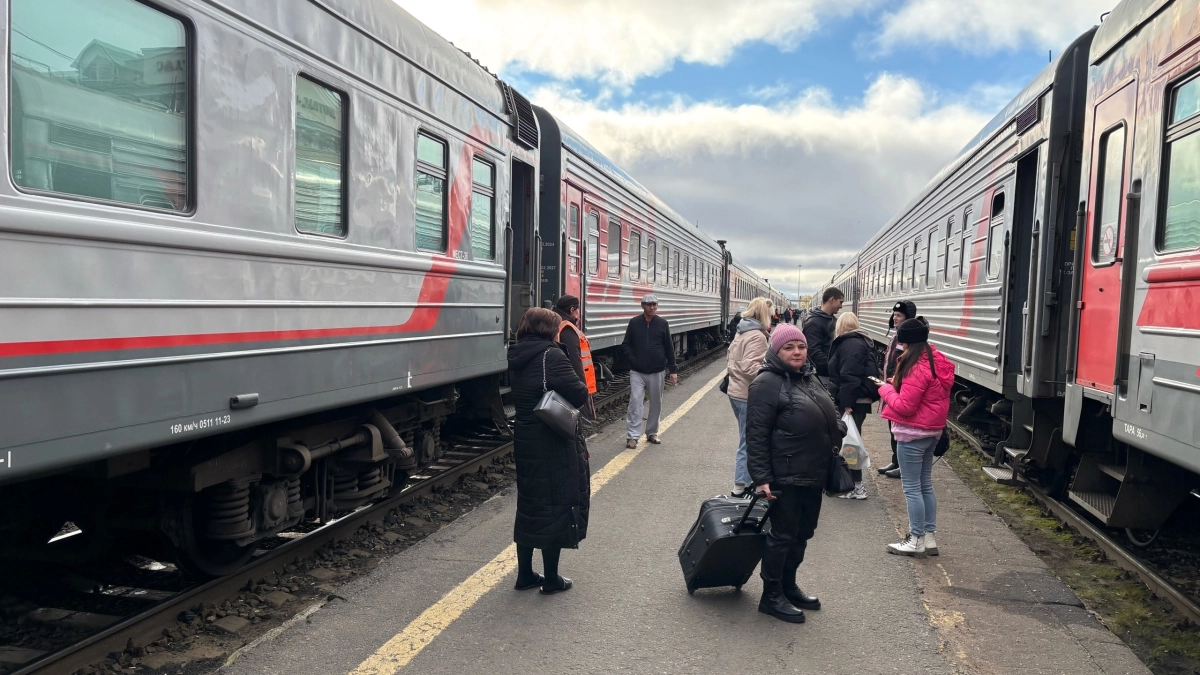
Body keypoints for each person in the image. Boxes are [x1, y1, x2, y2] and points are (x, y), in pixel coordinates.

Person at [746, 324, 846, 623]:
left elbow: (833, 408)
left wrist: (836, 426)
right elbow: (756, 435)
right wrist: (761, 478)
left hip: (813, 472)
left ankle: (788, 586)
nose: (797, 352)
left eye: (800, 347)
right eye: (789, 348)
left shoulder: (808, 375)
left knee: (803, 533)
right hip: (784, 476)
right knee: (783, 536)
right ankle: (771, 595)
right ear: (776, 351)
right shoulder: (766, 383)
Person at [507, 307, 591, 594]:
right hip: (551, 438)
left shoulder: (516, 354)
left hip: (526, 436)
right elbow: (579, 393)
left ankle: (525, 575)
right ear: (547, 330)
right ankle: (552, 579)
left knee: (529, 504)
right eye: (557, 328)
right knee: (554, 503)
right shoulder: (552, 355)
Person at [876, 317, 954, 557]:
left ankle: (915, 539)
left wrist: (886, 389)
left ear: (905, 342)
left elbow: (905, 406)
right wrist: (897, 383)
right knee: (924, 485)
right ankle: (929, 538)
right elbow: (923, 393)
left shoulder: (914, 366)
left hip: (912, 434)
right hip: (932, 432)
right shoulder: (935, 361)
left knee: (911, 488)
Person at [827, 312, 880, 500]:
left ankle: (855, 487)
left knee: (850, 444)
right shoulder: (857, 342)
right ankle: (853, 485)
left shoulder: (850, 343)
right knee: (850, 442)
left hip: (853, 402)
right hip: (855, 400)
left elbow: (850, 375)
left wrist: (847, 403)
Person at [725, 297, 772, 498]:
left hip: (736, 391)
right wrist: (770, 371)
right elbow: (749, 367)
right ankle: (740, 487)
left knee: (746, 439)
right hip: (745, 393)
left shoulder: (742, 330)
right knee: (749, 442)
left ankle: (746, 482)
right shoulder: (757, 336)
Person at [621, 294, 678, 449]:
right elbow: (626, 344)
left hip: (657, 371)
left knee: (656, 403)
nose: (652, 307)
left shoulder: (662, 324)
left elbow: (669, 348)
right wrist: (633, 359)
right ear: (642, 306)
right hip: (637, 371)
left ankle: (652, 432)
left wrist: (672, 370)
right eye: (649, 304)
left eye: (654, 304)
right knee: (635, 402)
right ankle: (632, 436)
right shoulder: (634, 323)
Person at [876, 301, 917, 479]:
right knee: (892, 427)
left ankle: (902, 465)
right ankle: (896, 460)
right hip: (891, 388)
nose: (894, 318)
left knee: (900, 429)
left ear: (907, 318)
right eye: (894, 315)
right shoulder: (897, 335)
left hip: (899, 389)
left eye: (898, 315)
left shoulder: (909, 338)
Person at [553, 295, 597, 420]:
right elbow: (574, 361)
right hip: (572, 384)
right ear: (572, 310)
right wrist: (581, 388)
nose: (579, 312)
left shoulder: (555, 324)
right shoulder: (567, 329)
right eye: (577, 309)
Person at [801, 287, 844, 383]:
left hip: (830, 373)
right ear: (832, 299)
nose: (841, 306)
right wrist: (832, 367)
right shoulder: (814, 323)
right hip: (822, 375)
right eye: (840, 302)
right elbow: (813, 351)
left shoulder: (831, 320)